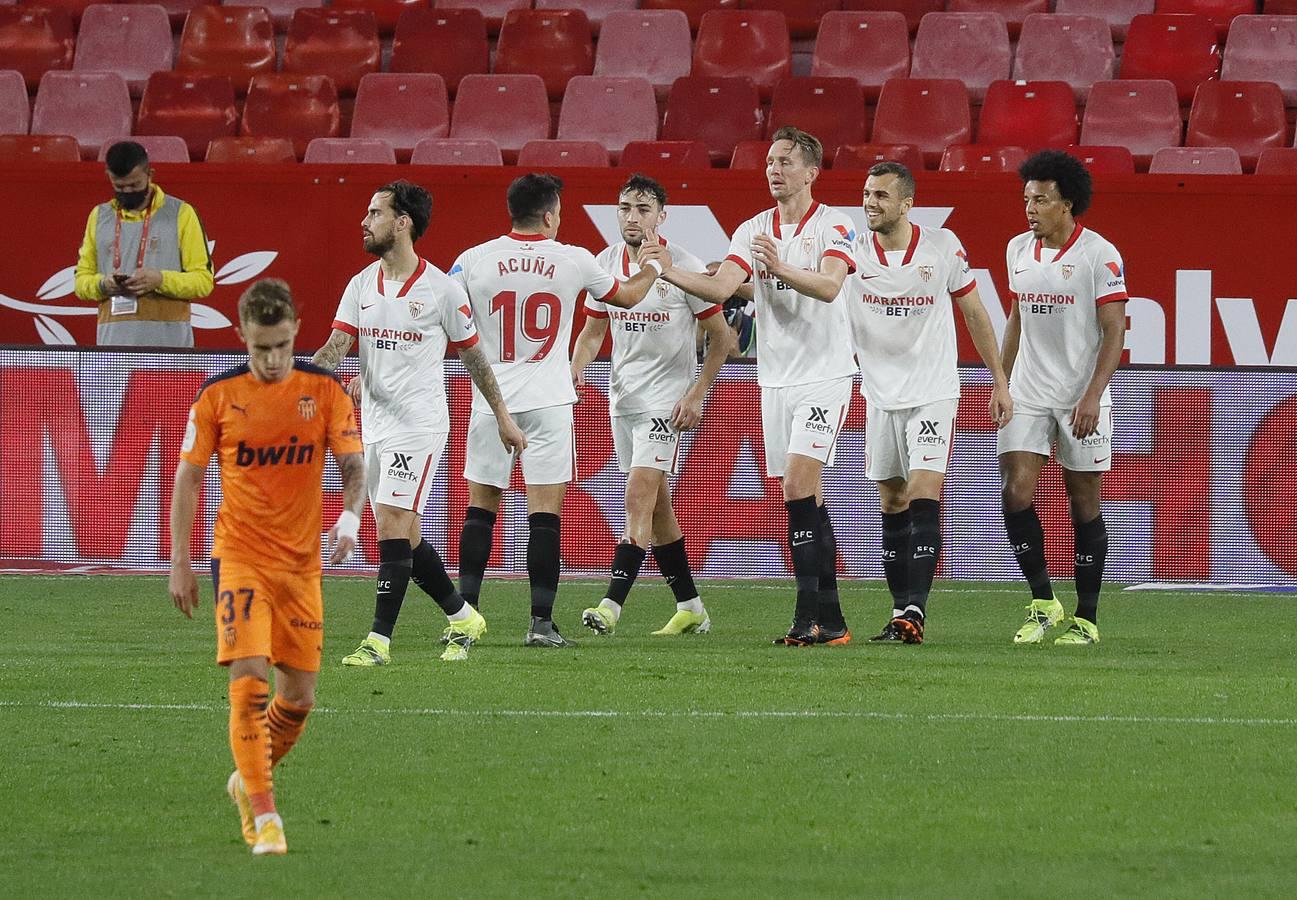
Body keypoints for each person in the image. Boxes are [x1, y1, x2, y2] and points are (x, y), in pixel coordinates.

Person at [168, 278, 365, 855]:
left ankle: (245, 776)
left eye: (281, 345)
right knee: (249, 681)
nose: (273, 359)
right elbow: (188, 477)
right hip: (240, 559)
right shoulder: (218, 396)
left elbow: (354, 466)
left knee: (298, 699)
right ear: (242, 337)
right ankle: (264, 814)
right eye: (261, 348)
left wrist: (351, 520)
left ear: (295, 334)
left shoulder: (324, 390)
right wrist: (179, 560)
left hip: (301, 567)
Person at [643, 126, 857, 647]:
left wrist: (778, 266)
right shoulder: (751, 228)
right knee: (805, 500)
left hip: (825, 375)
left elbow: (829, 287)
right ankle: (831, 621)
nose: (773, 169)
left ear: (811, 172)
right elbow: (720, 288)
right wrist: (667, 272)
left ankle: (807, 618)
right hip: (775, 379)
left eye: (785, 161)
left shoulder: (835, 224)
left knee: (795, 488)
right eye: (769, 161)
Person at [451, 172, 671, 648]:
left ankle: (464, 619)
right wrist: (653, 266)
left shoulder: (472, 260)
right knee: (544, 516)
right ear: (550, 215)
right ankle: (540, 624)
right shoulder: (575, 260)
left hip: (493, 403)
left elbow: (445, 315)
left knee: (480, 510)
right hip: (550, 402)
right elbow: (629, 298)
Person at [311, 181, 526, 666]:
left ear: (403, 222)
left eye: (375, 213)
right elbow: (335, 350)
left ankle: (378, 642)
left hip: (421, 425)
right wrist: (292, 384)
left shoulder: (442, 290)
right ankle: (462, 615)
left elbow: (474, 359)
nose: (364, 222)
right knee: (403, 532)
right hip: (376, 425)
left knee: (390, 520)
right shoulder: (360, 285)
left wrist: (504, 419)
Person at [842, 162, 1013, 645]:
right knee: (891, 499)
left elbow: (975, 312)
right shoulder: (850, 254)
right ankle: (900, 612)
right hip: (878, 395)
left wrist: (999, 380)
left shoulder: (943, 247)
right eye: (866, 193)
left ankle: (915, 610)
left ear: (907, 204)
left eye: (880, 195)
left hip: (933, 391)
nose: (870, 203)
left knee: (922, 492)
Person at [570, 174, 735, 637]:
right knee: (659, 510)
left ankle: (610, 606)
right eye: (624, 208)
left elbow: (723, 338)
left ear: (662, 217)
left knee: (638, 496)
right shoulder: (604, 264)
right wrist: (577, 367)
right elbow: (592, 333)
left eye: (643, 209)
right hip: (623, 398)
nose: (632, 217)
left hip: (668, 402)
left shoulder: (683, 265)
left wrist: (696, 395)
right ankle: (691, 606)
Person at [999, 150, 1128, 646]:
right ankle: (1042, 602)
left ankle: (1087, 618)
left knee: (1083, 502)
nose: (1030, 208)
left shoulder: (1100, 254)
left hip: (1080, 395)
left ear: (1067, 203)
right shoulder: (1017, 250)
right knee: (1015, 489)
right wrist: (1001, 381)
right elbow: (1016, 318)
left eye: (1041, 200)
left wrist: (1094, 394)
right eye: (1027, 199)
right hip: (1029, 391)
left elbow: (1114, 332)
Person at [74, 140, 213, 347]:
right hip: (112, 349)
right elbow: (80, 282)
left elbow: (203, 280)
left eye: (135, 185)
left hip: (170, 350)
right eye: (119, 186)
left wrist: (160, 280)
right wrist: (103, 284)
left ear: (150, 175)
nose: (128, 191)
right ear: (108, 177)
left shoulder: (181, 213)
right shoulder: (98, 216)